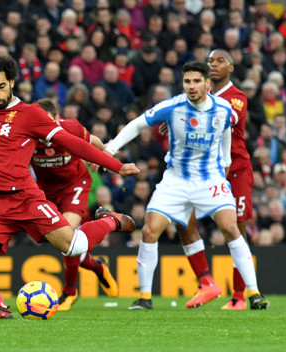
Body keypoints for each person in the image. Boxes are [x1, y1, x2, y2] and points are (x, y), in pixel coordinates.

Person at [0, 55, 140, 319]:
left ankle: (111, 221)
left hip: (26, 199)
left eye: (1, 87)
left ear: (12, 82)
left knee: (73, 246)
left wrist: (116, 165)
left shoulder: (30, 114)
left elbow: (72, 142)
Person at [105, 61, 269, 310]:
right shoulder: (172, 107)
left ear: (207, 84)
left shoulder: (224, 109)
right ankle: (145, 298)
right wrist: (111, 149)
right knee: (150, 231)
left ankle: (254, 293)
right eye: (186, 82)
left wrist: (225, 161)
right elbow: (138, 124)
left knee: (230, 228)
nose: (191, 86)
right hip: (176, 180)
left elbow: (227, 131)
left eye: (195, 81)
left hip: (210, 179)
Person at [0, 98, 120, 311]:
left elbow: (92, 140)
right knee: (59, 240)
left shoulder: (70, 127)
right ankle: (97, 266)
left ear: (57, 119)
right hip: (42, 189)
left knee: (68, 233)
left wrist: (103, 154)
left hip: (74, 185)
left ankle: (70, 291)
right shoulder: (28, 129)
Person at [174, 50, 264, 310]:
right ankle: (206, 282)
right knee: (184, 221)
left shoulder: (235, 98)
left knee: (236, 230)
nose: (213, 65)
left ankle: (241, 295)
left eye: (219, 61)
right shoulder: (197, 96)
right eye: (210, 61)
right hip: (206, 172)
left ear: (231, 68)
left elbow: (226, 118)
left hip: (235, 171)